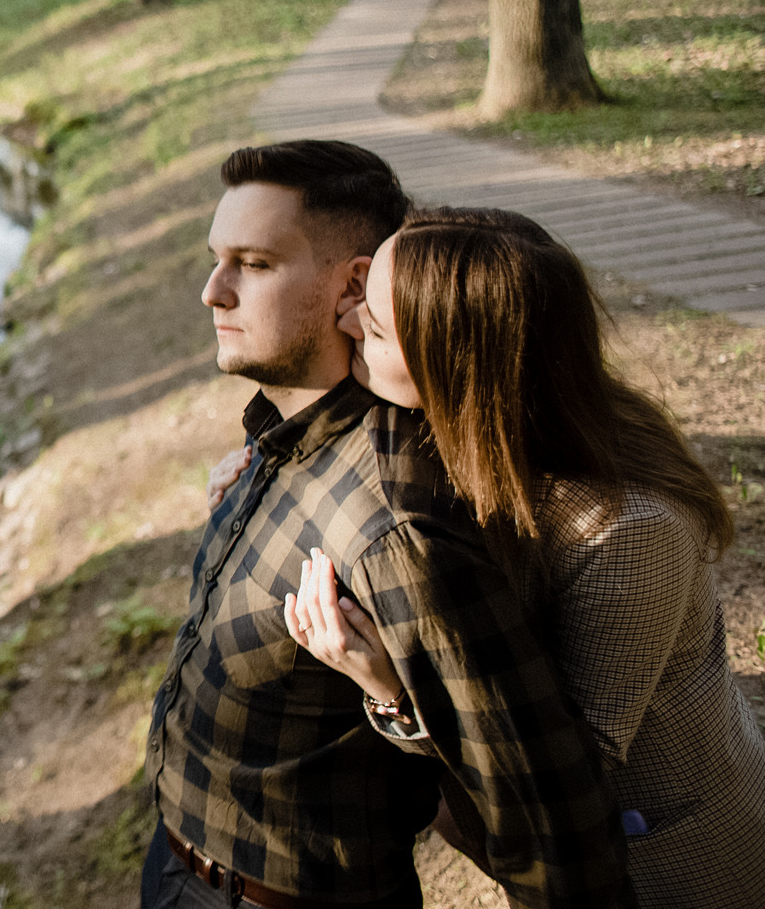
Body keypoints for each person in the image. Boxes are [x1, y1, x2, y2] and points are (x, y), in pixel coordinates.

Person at [143, 140, 632, 909]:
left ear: (356, 283)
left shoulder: (392, 524)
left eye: (255, 264)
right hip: (180, 863)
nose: (213, 291)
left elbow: (548, 815)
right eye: (217, 258)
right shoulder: (284, 426)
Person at [284, 206, 765, 908]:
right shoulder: (468, 432)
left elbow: (565, 779)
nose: (348, 320)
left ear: (457, 369)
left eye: (377, 326)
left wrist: (391, 691)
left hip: (669, 865)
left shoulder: (627, 532)